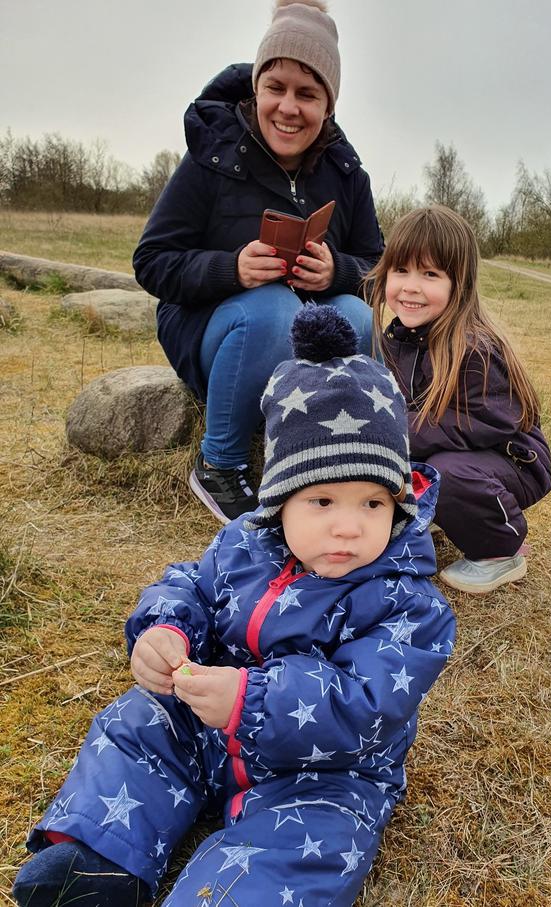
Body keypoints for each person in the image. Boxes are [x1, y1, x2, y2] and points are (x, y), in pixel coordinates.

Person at [13, 305, 456, 907]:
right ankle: (97, 861)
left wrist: (250, 700)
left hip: (323, 771)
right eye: (322, 501)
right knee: (139, 725)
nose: (349, 527)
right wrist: (164, 628)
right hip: (204, 728)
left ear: (397, 503)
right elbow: (191, 585)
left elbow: (366, 702)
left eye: (373, 503)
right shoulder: (246, 541)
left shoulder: (409, 603)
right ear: (278, 499)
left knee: (313, 841)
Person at [132, 0, 384, 523]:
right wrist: (231, 270)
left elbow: (378, 267)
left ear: (328, 106)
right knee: (271, 307)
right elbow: (153, 261)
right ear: (256, 89)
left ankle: (328, 452)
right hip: (219, 335)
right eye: (276, 88)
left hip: (305, 349)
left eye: (307, 94)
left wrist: (337, 271)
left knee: (357, 316)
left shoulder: (347, 172)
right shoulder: (213, 155)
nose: (289, 107)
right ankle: (220, 464)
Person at [369, 206, 551, 594]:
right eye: (400, 270)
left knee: (446, 473)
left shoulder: (475, 349)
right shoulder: (397, 339)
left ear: (460, 284)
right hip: (453, 454)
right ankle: (442, 508)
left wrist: (403, 431)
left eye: (430, 274)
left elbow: (489, 421)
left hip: (512, 460)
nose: (410, 286)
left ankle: (502, 550)